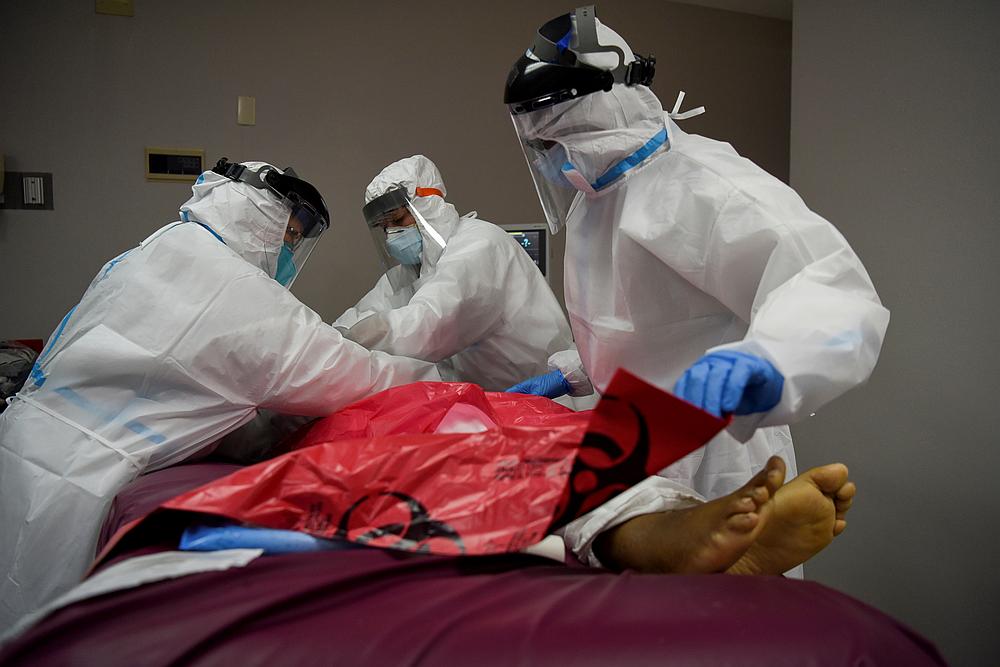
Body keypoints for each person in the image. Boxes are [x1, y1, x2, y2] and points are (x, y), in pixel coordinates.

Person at [503, 6, 889, 571]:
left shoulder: (707, 184)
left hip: (718, 452)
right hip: (631, 441)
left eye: (562, 136)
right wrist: (572, 370)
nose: (556, 157)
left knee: (725, 629)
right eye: (543, 145)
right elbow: (638, 323)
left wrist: (768, 364)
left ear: (612, 102)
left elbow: (833, 291)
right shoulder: (595, 199)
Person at [0, 159, 441, 629]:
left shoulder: (162, 246)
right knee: (38, 631)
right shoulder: (237, 292)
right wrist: (444, 379)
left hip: (22, 443)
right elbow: (354, 377)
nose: (290, 250)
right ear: (263, 219)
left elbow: (179, 382)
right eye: (290, 236)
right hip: (75, 486)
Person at [333, 155, 592, 397]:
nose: (391, 235)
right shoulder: (410, 271)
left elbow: (429, 326)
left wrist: (357, 337)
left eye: (398, 221)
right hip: (490, 412)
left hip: (541, 404)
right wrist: (332, 337)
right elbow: (365, 311)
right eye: (384, 227)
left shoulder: (480, 245)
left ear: (428, 205)